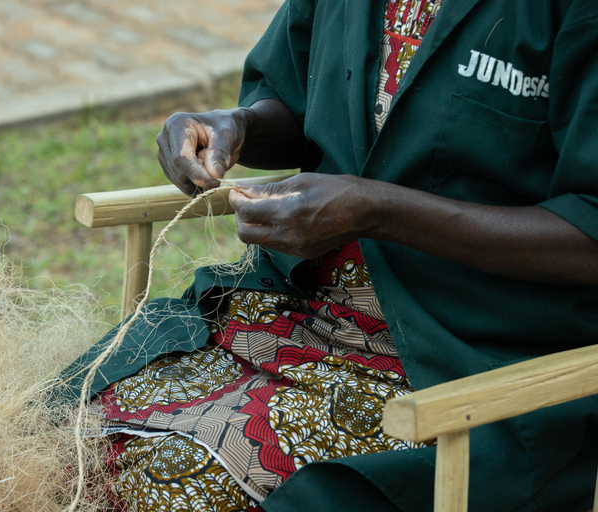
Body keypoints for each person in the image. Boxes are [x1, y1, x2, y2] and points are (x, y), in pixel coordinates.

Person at [57, 0, 598, 510]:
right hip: (290, 312)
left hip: (463, 363)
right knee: (60, 432)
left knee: (174, 481)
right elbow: (295, 101)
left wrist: (377, 210)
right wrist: (236, 126)